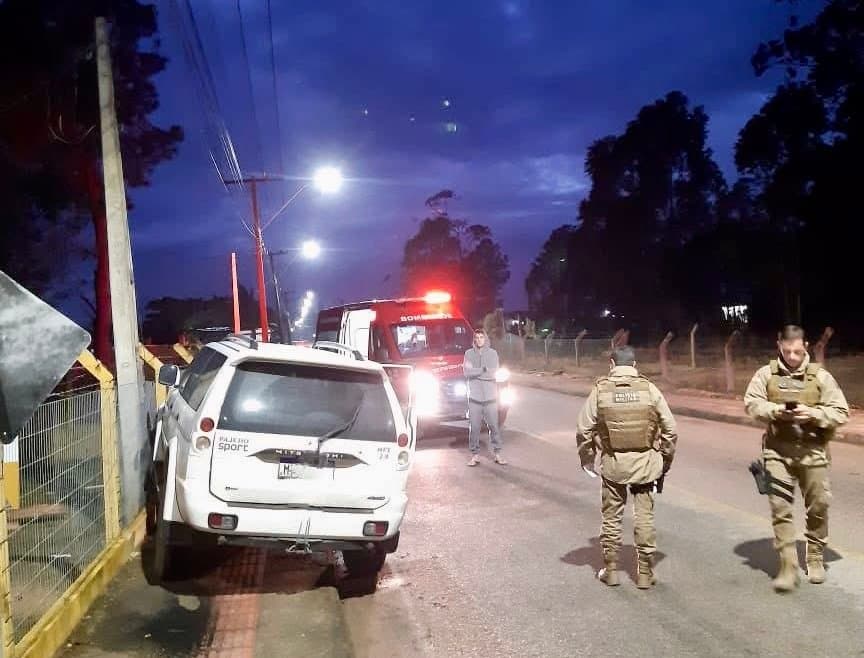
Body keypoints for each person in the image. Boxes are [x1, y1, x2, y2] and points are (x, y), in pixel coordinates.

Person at [744, 324, 849, 592]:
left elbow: (841, 412)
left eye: (797, 352)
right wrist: (777, 411)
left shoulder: (820, 377)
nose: (792, 357)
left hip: (812, 452)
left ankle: (814, 555)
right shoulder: (766, 374)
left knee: (818, 505)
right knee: (780, 507)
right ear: (779, 345)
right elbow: (752, 404)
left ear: (806, 347)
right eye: (787, 351)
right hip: (777, 451)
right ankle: (788, 567)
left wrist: (813, 414)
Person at [576, 346, 677, 589]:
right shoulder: (649, 389)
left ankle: (611, 571)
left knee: (611, 517)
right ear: (634, 365)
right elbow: (670, 429)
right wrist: (664, 461)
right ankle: (645, 574)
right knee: (644, 517)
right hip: (645, 465)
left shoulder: (601, 390)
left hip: (614, 464)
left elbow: (584, 429)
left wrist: (588, 458)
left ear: (611, 364)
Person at [463, 328, 506, 466]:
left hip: (490, 398)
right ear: (474, 339)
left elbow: (494, 373)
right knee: (474, 428)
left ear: (485, 338)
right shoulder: (469, 354)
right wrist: (483, 369)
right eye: (477, 337)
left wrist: (477, 373)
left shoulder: (493, 354)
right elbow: (467, 372)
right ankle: (475, 455)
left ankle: (497, 453)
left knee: (494, 427)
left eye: (481, 337)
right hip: (474, 398)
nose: (479, 340)